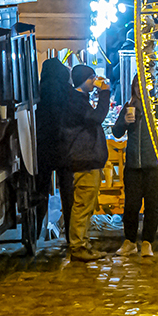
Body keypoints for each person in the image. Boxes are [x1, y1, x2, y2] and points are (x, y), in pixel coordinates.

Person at [59, 64, 112, 263]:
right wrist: (105, 93)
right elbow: (97, 118)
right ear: (86, 80)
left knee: (86, 206)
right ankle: (78, 246)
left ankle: (82, 242)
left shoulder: (77, 100)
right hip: (84, 160)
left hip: (85, 159)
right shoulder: (76, 101)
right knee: (82, 206)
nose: (95, 81)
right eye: (92, 78)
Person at [112, 80, 158, 257]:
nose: (139, 90)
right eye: (136, 86)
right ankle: (130, 241)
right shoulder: (129, 106)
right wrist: (124, 122)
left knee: (152, 205)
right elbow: (116, 132)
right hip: (133, 164)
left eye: (143, 86)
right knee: (131, 206)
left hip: (154, 164)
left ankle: (148, 242)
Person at [35, 57, 73, 240]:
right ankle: (70, 233)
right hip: (64, 145)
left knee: (41, 189)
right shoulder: (67, 91)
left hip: (43, 146)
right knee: (68, 192)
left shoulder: (39, 92)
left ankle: (36, 229)